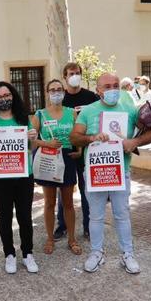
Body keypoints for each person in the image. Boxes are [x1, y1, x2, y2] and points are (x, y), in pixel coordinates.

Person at [71, 73, 151, 274]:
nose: (112, 89)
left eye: (115, 85)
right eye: (107, 86)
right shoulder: (89, 111)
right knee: (95, 216)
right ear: (98, 90)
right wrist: (92, 137)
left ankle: (127, 254)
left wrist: (134, 142)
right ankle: (96, 253)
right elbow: (74, 137)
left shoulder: (129, 108)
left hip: (121, 170)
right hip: (95, 171)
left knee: (122, 214)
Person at [0, 81, 40, 274]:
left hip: (23, 176)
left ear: (13, 96)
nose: (3, 99)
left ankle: (28, 253)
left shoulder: (23, 118)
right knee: (4, 217)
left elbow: (30, 148)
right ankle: (9, 255)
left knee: (25, 216)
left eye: (6, 95)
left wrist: (33, 137)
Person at [31, 79, 82, 256]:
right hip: (49, 158)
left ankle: (72, 239)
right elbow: (30, 138)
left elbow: (79, 134)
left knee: (68, 203)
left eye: (59, 89)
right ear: (47, 93)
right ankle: (50, 239)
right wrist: (47, 143)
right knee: (49, 203)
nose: (56, 92)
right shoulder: (40, 114)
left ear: (64, 92)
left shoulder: (72, 112)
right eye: (52, 90)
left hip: (67, 158)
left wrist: (79, 150)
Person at [56, 62, 98, 240]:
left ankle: (88, 227)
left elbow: (97, 121)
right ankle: (62, 225)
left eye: (78, 73)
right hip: (64, 153)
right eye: (72, 73)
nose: (75, 76)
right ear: (65, 77)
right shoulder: (60, 100)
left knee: (86, 191)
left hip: (86, 151)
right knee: (63, 192)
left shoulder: (91, 97)